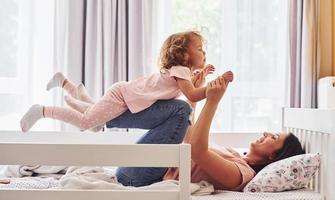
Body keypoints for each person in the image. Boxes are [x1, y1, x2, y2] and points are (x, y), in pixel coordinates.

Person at [63, 72, 305, 191]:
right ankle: (101, 117)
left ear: (275, 156)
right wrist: (197, 97)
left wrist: (213, 101)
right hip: (140, 168)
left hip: (141, 177)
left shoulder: (242, 175)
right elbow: (187, 137)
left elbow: (197, 152)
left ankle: (102, 118)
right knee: (179, 109)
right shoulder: (234, 154)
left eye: (274, 137)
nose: (266, 132)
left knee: (178, 109)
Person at [20, 31, 233, 132]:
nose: (203, 52)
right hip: (122, 96)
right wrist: (216, 85)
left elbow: (192, 91)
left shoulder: (182, 72)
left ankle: (66, 84)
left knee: (95, 124)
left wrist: (202, 77)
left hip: (126, 96)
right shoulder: (181, 71)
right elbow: (194, 95)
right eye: (198, 48)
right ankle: (42, 111)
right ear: (184, 55)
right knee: (86, 122)